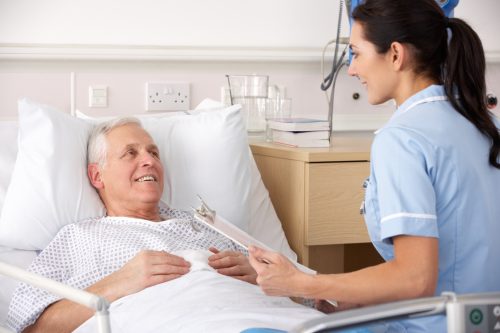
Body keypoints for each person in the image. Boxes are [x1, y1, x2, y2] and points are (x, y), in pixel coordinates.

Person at [248, 0, 500, 332]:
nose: (351, 69)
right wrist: (368, 296)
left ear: (395, 54)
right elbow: (460, 264)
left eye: (356, 53)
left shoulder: (402, 140)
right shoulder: (487, 124)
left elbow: (415, 278)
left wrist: (300, 283)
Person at [6, 118, 260, 332]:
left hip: (264, 317)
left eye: (154, 152)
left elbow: (295, 289)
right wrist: (120, 282)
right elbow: (31, 327)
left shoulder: (205, 225)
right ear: (97, 176)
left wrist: (261, 275)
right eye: (130, 153)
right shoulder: (79, 237)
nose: (149, 161)